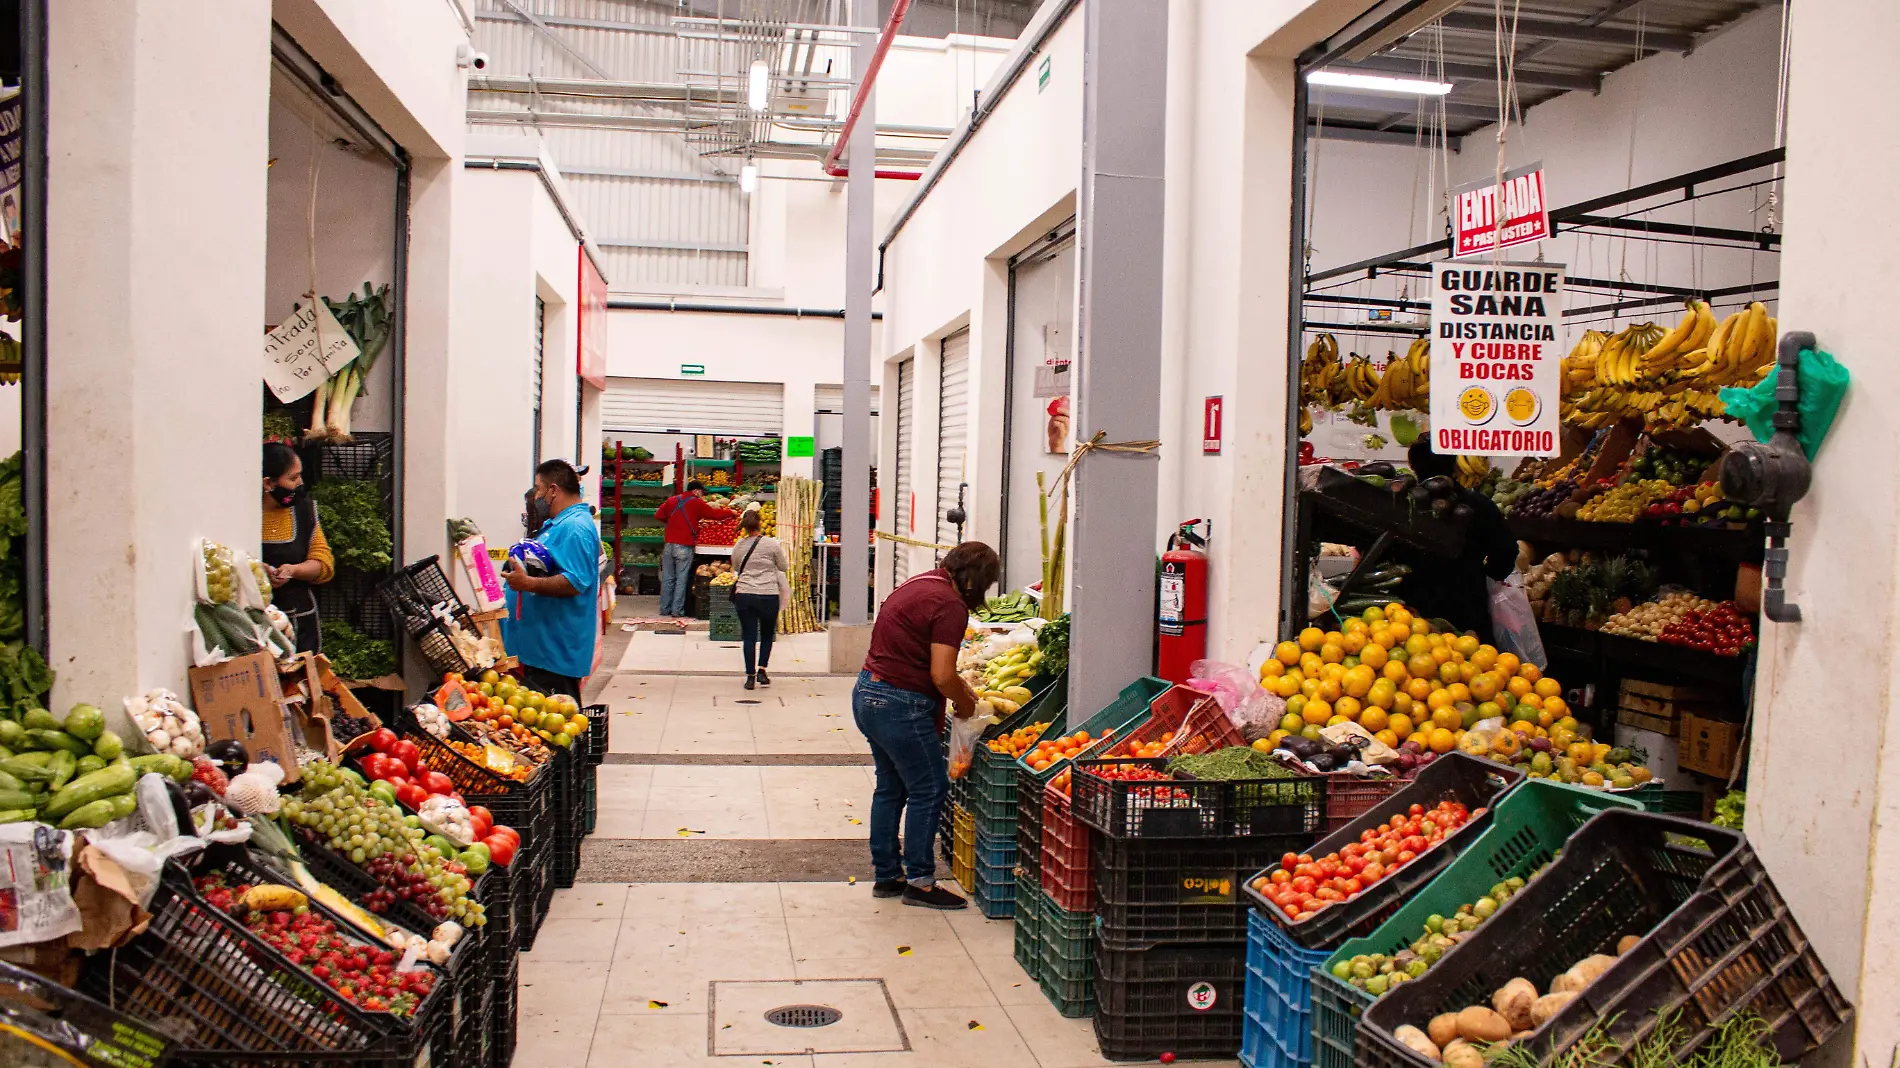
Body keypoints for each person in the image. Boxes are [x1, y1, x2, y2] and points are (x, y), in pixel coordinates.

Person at [854, 541, 1000, 910]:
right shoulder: (950, 605)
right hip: (901, 704)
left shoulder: (919, 583)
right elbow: (941, 674)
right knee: (929, 787)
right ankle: (919, 882)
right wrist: (966, 704)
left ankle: (887, 875)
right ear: (974, 582)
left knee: (890, 788)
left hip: (869, 692)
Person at [1393, 440, 1522, 644]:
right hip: (1467, 607)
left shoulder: (1399, 506)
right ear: (1455, 465)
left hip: (1412, 614)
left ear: (1412, 467)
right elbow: (1506, 552)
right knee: (1476, 667)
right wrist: (1482, 574)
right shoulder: (1480, 505)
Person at [500, 459, 602, 700]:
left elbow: (574, 582)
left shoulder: (575, 528)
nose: (535, 495)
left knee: (558, 724)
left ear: (554, 490)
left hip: (554, 654)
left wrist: (527, 584)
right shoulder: (561, 525)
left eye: (538, 488)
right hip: (542, 650)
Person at [260, 442, 334, 653]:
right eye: (292, 478)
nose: (300, 483)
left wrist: (293, 570)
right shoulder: (245, 513)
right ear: (268, 483)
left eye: (299, 475)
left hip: (299, 622)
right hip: (256, 626)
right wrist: (258, 570)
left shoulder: (304, 510)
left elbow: (324, 564)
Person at [655, 480, 738, 619]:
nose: (702, 495)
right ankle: (677, 611)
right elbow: (713, 514)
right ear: (696, 491)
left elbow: (658, 515)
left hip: (669, 544)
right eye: (701, 492)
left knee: (668, 578)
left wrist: (672, 523)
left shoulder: (672, 500)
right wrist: (731, 512)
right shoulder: (696, 502)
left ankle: (664, 609)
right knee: (681, 578)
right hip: (684, 545)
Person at [730, 507, 789, 690]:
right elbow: (783, 567)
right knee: (766, 634)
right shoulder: (772, 544)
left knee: (748, 635)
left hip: (745, 594)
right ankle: (762, 670)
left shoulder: (739, 545)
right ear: (760, 524)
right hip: (768, 594)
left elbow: (735, 566)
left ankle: (750, 676)